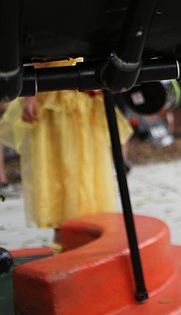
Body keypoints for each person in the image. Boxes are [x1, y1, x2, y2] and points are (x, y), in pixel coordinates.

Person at [0, 59, 133, 249]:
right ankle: (64, 241)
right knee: (62, 169)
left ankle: (85, 239)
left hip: (85, 97)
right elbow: (39, 54)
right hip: (56, 97)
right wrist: (30, 94)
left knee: (87, 170)